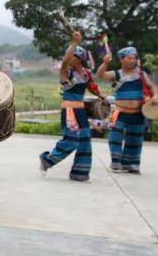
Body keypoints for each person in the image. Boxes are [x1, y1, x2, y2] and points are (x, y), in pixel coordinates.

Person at [39, 32, 107, 181]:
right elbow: (64, 61)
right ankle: (47, 160)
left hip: (81, 110)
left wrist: (102, 96)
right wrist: (75, 42)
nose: (69, 58)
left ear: (80, 58)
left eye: (73, 56)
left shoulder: (85, 74)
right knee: (72, 140)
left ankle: (80, 173)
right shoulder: (65, 72)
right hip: (69, 111)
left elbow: (92, 87)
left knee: (84, 141)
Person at [97, 46, 158, 173]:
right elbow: (100, 75)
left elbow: (151, 86)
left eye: (134, 58)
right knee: (115, 136)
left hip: (138, 113)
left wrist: (155, 95)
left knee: (135, 138)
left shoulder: (142, 74)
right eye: (129, 58)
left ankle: (131, 163)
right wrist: (105, 63)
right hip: (120, 112)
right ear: (122, 60)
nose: (132, 60)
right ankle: (116, 162)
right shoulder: (117, 74)